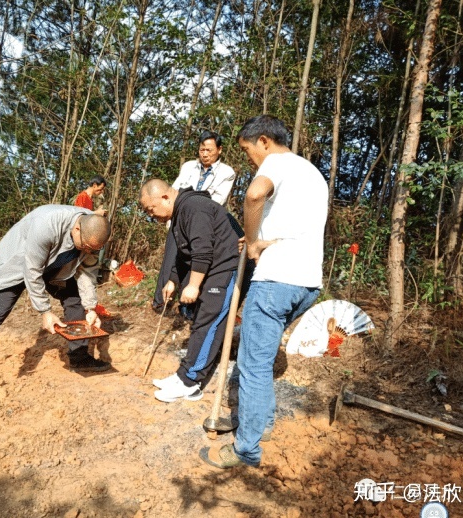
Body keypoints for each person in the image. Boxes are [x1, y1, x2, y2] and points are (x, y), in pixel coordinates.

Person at [199, 115, 328, 468]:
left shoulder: (276, 161)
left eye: (248, 150)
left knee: (253, 366)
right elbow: (293, 227)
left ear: (265, 141)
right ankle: (261, 424)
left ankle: (246, 449)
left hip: (276, 280)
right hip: (307, 282)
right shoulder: (311, 173)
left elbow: (255, 194)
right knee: (262, 358)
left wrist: (253, 242)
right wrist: (263, 238)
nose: (250, 158)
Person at [0, 206, 112, 403]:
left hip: (56, 266)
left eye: (92, 249)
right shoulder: (46, 225)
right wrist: (44, 310)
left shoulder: (93, 233)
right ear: (76, 229)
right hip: (20, 265)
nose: (87, 251)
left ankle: (79, 358)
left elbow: (87, 271)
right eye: (85, 247)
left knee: (75, 301)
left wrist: (90, 308)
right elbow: (32, 270)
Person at [139, 179, 251, 403]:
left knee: (209, 321)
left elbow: (202, 250)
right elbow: (184, 255)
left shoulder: (194, 206)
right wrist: (172, 281)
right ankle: (184, 375)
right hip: (215, 269)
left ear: (165, 197)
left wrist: (193, 285)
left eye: (151, 209)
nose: (152, 215)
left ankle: (190, 383)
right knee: (201, 320)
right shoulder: (181, 213)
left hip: (228, 269)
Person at [152, 131, 236, 316]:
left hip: (202, 223)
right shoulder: (189, 167)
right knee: (172, 261)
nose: (205, 154)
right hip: (179, 219)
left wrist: (194, 204)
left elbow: (217, 199)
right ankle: (161, 302)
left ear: (219, 150)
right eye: (201, 149)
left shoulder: (227, 172)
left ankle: (188, 305)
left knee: (197, 260)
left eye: (209, 150)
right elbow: (175, 189)